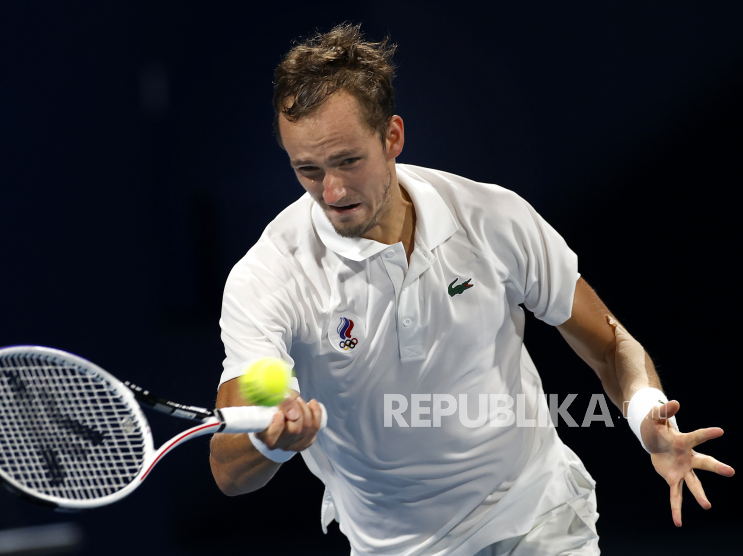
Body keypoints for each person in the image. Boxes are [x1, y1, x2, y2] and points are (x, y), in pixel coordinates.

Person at [208, 23, 734, 555]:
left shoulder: (490, 217)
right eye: (309, 171)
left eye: (348, 161)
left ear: (392, 136)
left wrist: (647, 413)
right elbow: (229, 471)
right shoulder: (269, 278)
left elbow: (609, 341)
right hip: (397, 546)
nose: (334, 191)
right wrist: (270, 443)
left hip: (538, 517)